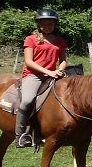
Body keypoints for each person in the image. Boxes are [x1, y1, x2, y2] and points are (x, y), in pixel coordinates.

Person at [15, 9, 68, 148]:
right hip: (34, 75)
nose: (47, 26)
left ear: (55, 24)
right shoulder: (30, 39)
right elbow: (29, 61)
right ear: (39, 24)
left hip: (54, 74)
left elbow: (63, 60)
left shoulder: (60, 41)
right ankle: (21, 135)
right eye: (44, 24)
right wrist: (48, 72)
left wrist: (59, 71)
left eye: (50, 23)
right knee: (27, 101)